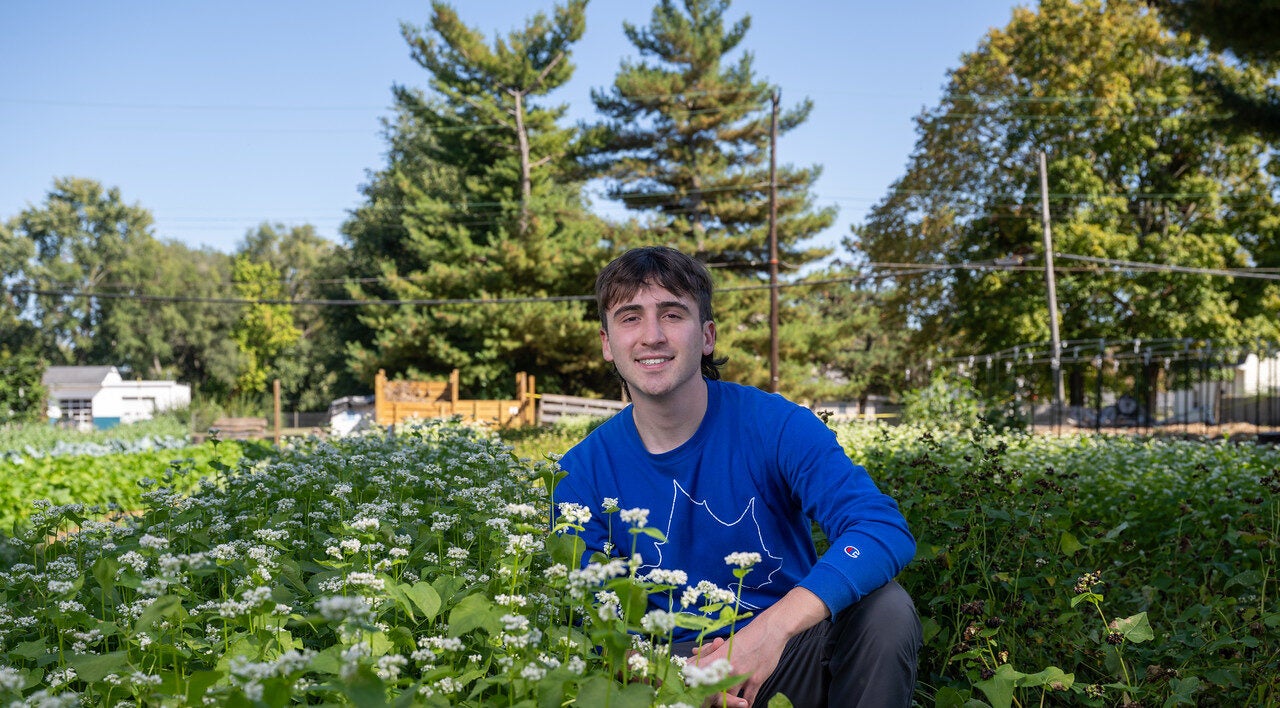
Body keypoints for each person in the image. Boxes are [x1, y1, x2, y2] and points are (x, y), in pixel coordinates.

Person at [553, 246, 921, 707]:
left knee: (886, 611)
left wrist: (768, 631)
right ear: (607, 343)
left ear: (706, 335)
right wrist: (671, 678)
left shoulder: (777, 425)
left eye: (672, 314)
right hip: (660, 674)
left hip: (785, 651)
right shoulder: (577, 472)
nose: (652, 335)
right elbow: (588, 617)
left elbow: (879, 527)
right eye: (630, 317)